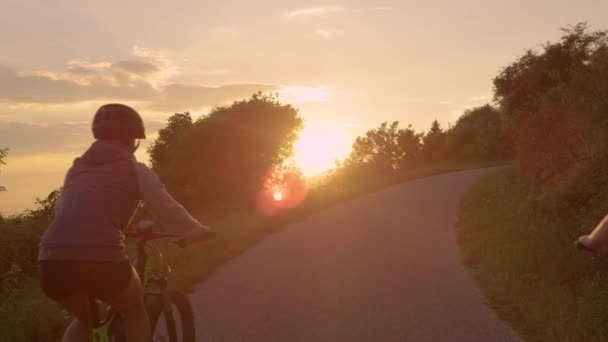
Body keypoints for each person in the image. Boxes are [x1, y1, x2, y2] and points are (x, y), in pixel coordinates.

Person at [38, 103, 213, 342]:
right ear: (132, 140)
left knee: (87, 320)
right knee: (133, 309)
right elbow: (164, 206)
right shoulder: (134, 168)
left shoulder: (77, 169)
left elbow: (65, 209)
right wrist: (193, 231)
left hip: (51, 262)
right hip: (102, 257)